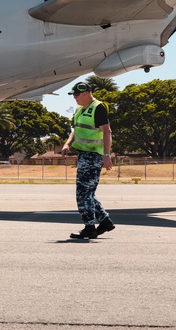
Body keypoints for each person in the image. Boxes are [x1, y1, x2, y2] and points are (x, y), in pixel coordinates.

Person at [60, 81, 115, 240]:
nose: (74, 98)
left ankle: (90, 227)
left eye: (77, 94)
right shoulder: (79, 109)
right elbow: (75, 130)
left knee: (82, 194)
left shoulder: (98, 108)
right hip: (83, 154)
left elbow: (107, 131)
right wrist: (67, 143)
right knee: (88, 193)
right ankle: (104, 221)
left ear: (86, 93)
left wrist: (106, 155)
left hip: (93, 156)